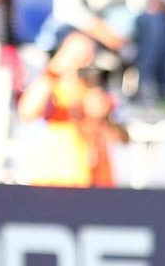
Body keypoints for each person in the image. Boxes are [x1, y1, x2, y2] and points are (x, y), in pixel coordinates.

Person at [18, 31, 127, 186]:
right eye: (75, 55)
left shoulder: (102, 92)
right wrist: (54, 71)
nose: (82, 61)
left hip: (96, 183)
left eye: (88, 55)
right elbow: (27, 112)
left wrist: (105, 116)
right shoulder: (51, 87)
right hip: (55, 179)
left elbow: (123, 139)